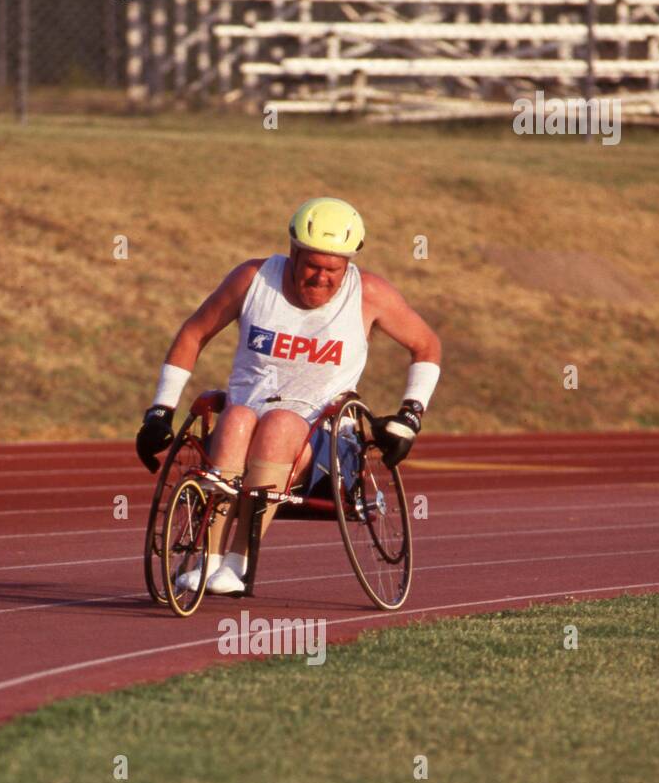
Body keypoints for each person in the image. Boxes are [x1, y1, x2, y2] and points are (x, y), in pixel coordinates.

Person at [136, 197, 441, 594]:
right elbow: (194, 333)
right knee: (238, 417)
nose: (320, 278)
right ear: (292, 251)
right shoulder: (253, 279)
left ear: (349, 263)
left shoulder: (369, 294)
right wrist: (160, 410)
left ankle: (239, 562)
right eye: (311, 265)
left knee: (279, 424)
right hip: (244, 425)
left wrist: (410, 417)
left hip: (326, 442)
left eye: (333, 269)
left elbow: (426, 345)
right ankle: (209, 560)